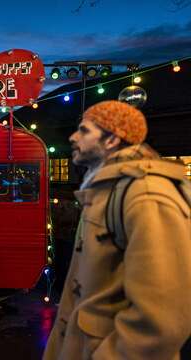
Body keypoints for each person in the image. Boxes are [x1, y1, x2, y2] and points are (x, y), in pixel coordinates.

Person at [43, 100, 191, 359]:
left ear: (112, 140)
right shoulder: (108, 190)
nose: (73, 136)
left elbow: (163, 317)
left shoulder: (145, 195)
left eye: (85, 130)